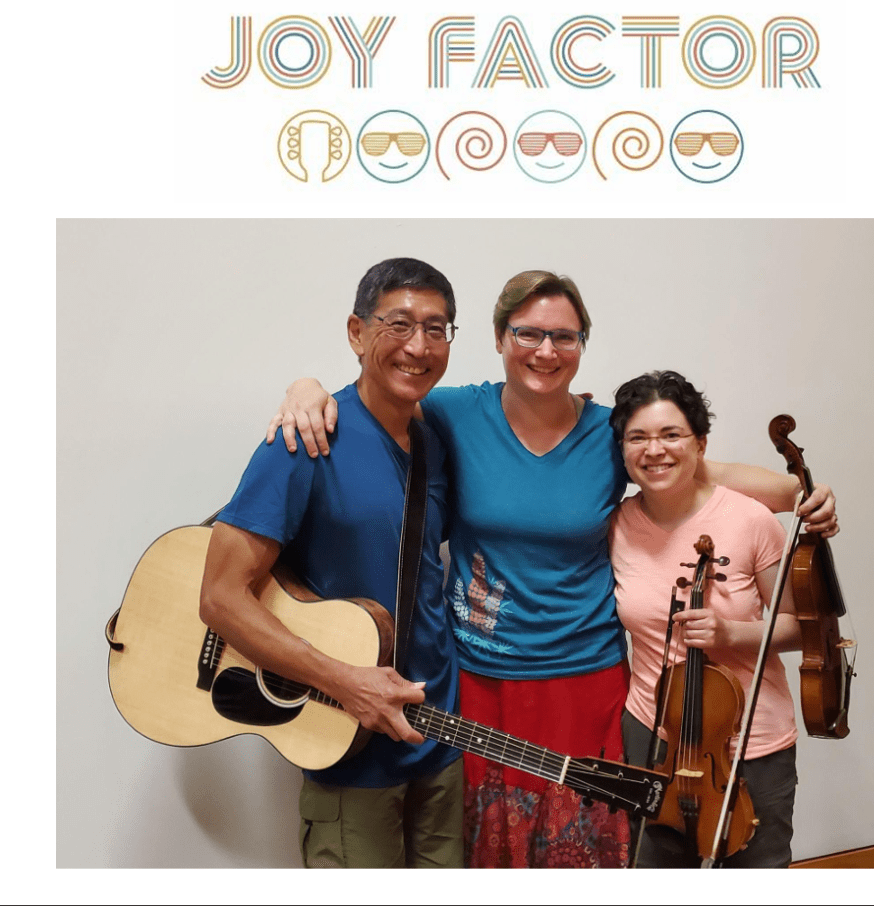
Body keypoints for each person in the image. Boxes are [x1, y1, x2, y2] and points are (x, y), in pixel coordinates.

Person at [267, 270, 837, 868]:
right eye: (528, 333)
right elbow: (376, 396)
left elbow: (701, 471)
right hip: (480, 678)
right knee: (490, 850)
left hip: (587, 679)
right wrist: (308, 388)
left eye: (564, 336)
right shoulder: (454, 412)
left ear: (582, 344)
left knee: (584, 852)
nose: (546, 351)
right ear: (499, 337)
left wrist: (803, 493)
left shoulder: (609, 434)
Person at [198, 258, 464, 869]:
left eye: (436, 328)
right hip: (349, 753)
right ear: (356, 332)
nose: (419, 346)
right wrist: (344, 681)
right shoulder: (304, 440)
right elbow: (219, 597)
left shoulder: (437, 441)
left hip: (441, 739)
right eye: (399, 324)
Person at [608, 370, 800, 868]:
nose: (655, 450)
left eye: (671, 434)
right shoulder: (618, 525)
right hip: (654, 735)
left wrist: (731, 632)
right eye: (638, 437)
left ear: (700, 444)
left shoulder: (751, 520)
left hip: (748, 741)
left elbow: (799, 625)